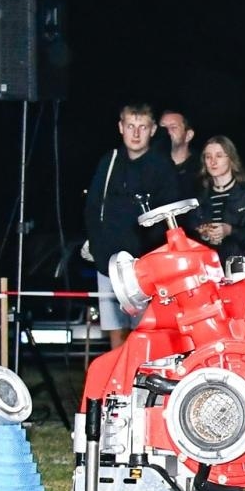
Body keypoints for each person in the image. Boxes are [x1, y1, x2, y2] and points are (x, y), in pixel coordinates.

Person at [83, 103, 179, 349]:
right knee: (116, 332)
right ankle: (118, 386)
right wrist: (97, 247)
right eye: (130, 126)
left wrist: (151, 259)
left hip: (145, 267)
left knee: (146, 332)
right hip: (109, 265)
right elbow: (93, 207)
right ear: (120, 127)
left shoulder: (162, 166)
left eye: (142, 127)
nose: (136, 133)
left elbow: (171, 217)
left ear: (153, 129)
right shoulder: (109, 161)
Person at [192, 135, 245, 266]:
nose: (213, 161)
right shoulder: (200, 197)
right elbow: (191, 238)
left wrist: (230, 231)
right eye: (208, 156)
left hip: (241, 268)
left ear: (231, 159)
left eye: (219, 156)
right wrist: (203, 234)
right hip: (209, 269)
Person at [158, 111, 199, 202]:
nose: (167, 132)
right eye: (163, 128)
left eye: (173, 127)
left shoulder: (202, 170)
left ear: (188, 135)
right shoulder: (149, 168)